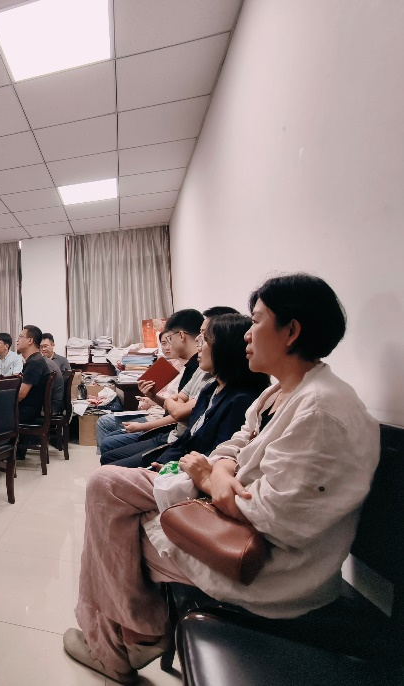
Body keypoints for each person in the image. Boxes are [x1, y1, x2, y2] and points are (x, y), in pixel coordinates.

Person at [65, 274, 380, 684]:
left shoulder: (321, 410)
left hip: (269, 568)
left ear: (291, 332)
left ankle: (123, 643)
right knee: (107, 492)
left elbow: (274, 518)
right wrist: (219, 471)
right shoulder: (278, 393)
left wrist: (211, 479)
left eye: (256, 321)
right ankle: (128, 636)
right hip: (229, 515)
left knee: (117, 523)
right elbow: (233, 444)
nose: (247, 334)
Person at [101, 313, 270, 468]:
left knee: (107, 467)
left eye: (205, 339)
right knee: (108, 461)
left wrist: (168, 468)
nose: (198, 345)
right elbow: (189, 432)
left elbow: (211, 455)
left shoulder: (239, 399)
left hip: (184, 462)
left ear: (225, 348)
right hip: (178, 452)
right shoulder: (211, 387)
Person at [16, 324, 63, 425]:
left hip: (27, 413)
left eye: (20, 337)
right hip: (30, 410)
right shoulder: (37, 359)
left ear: (30, 341)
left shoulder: (34, 362)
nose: (17, 340)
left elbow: (21, 395)